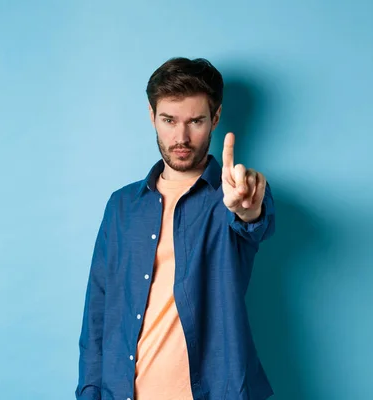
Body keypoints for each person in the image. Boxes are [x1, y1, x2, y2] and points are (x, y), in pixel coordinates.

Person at [75, 57, 276, 400]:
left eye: (196, 121)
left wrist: (249, 208)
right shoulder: (122, 206)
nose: (181, 137)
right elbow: (98, 310)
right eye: (169, 120)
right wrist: (91, 392)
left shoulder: (234, 195)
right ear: (152, 116)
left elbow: (253, 222)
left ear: (215, 118)